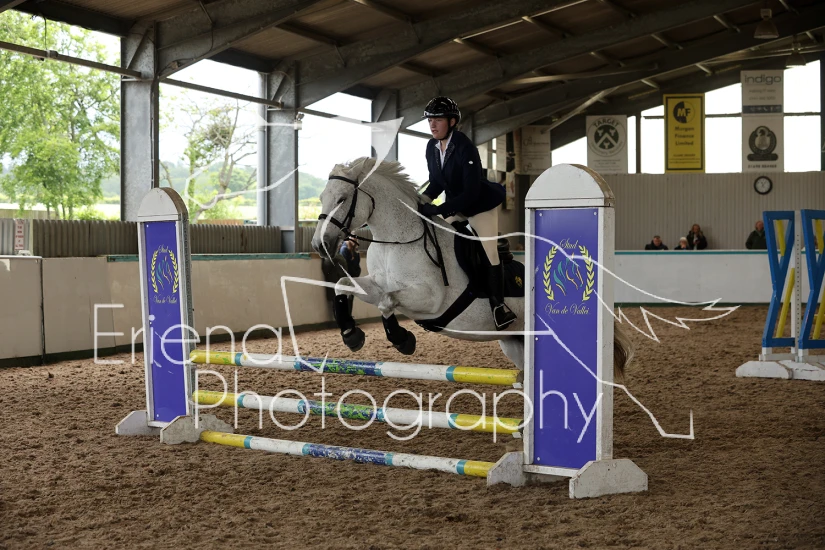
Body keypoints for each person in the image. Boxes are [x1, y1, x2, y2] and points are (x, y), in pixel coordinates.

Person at [417, 96, 515, 330]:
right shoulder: (431, 147)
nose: (432, 125)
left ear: (452, 122)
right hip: (455, 204)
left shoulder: (464, 147)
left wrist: (439, 209)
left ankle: (499, 307)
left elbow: (471, 192)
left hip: (479, 205)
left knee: (489, 251)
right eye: (430, 120)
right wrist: (422, 200)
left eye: (438, 120)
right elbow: (436, 182)